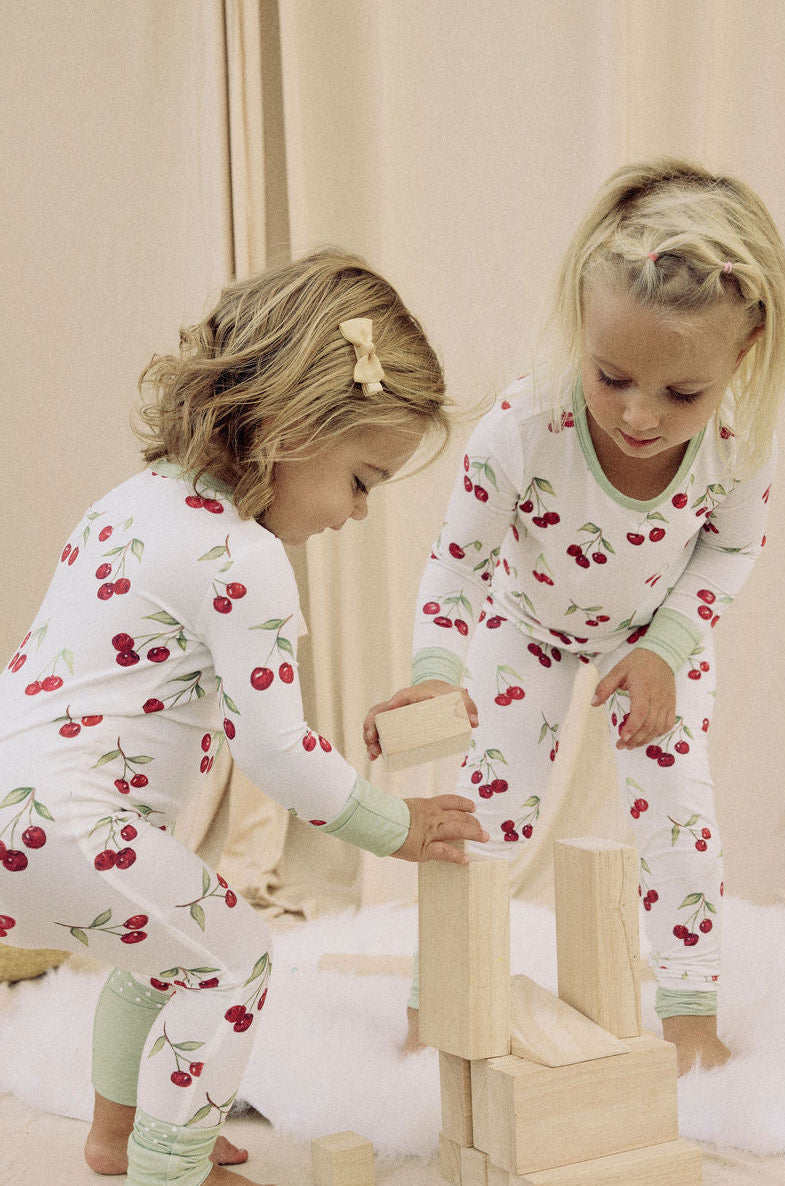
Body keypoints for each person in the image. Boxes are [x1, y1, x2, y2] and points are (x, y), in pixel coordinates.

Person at [0, 250, 488, 1186]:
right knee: (231, 958)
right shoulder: (244, 558)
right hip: (71, 824)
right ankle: (170, 1166)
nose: (355, 513)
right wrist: (398, 826)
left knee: (161, 953)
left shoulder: (130, 502)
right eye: (362, 480)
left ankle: (121, 1132)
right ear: (293, 428)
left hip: (25, 811)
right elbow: (278, 751)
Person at [364, 159, 785, 1075]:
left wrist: (669, 648)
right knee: (486, 818)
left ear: (744, 349)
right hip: (524, 629)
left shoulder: (738, 440)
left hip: (652, 642)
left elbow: (729, 549)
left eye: (681, 393)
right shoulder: (524, 427)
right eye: (612, 378)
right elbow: (457, 563)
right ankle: (431, 1005)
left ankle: (687, 1015)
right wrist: (440, 671)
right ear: (581, 327)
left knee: (678, 816)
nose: (640, 415)